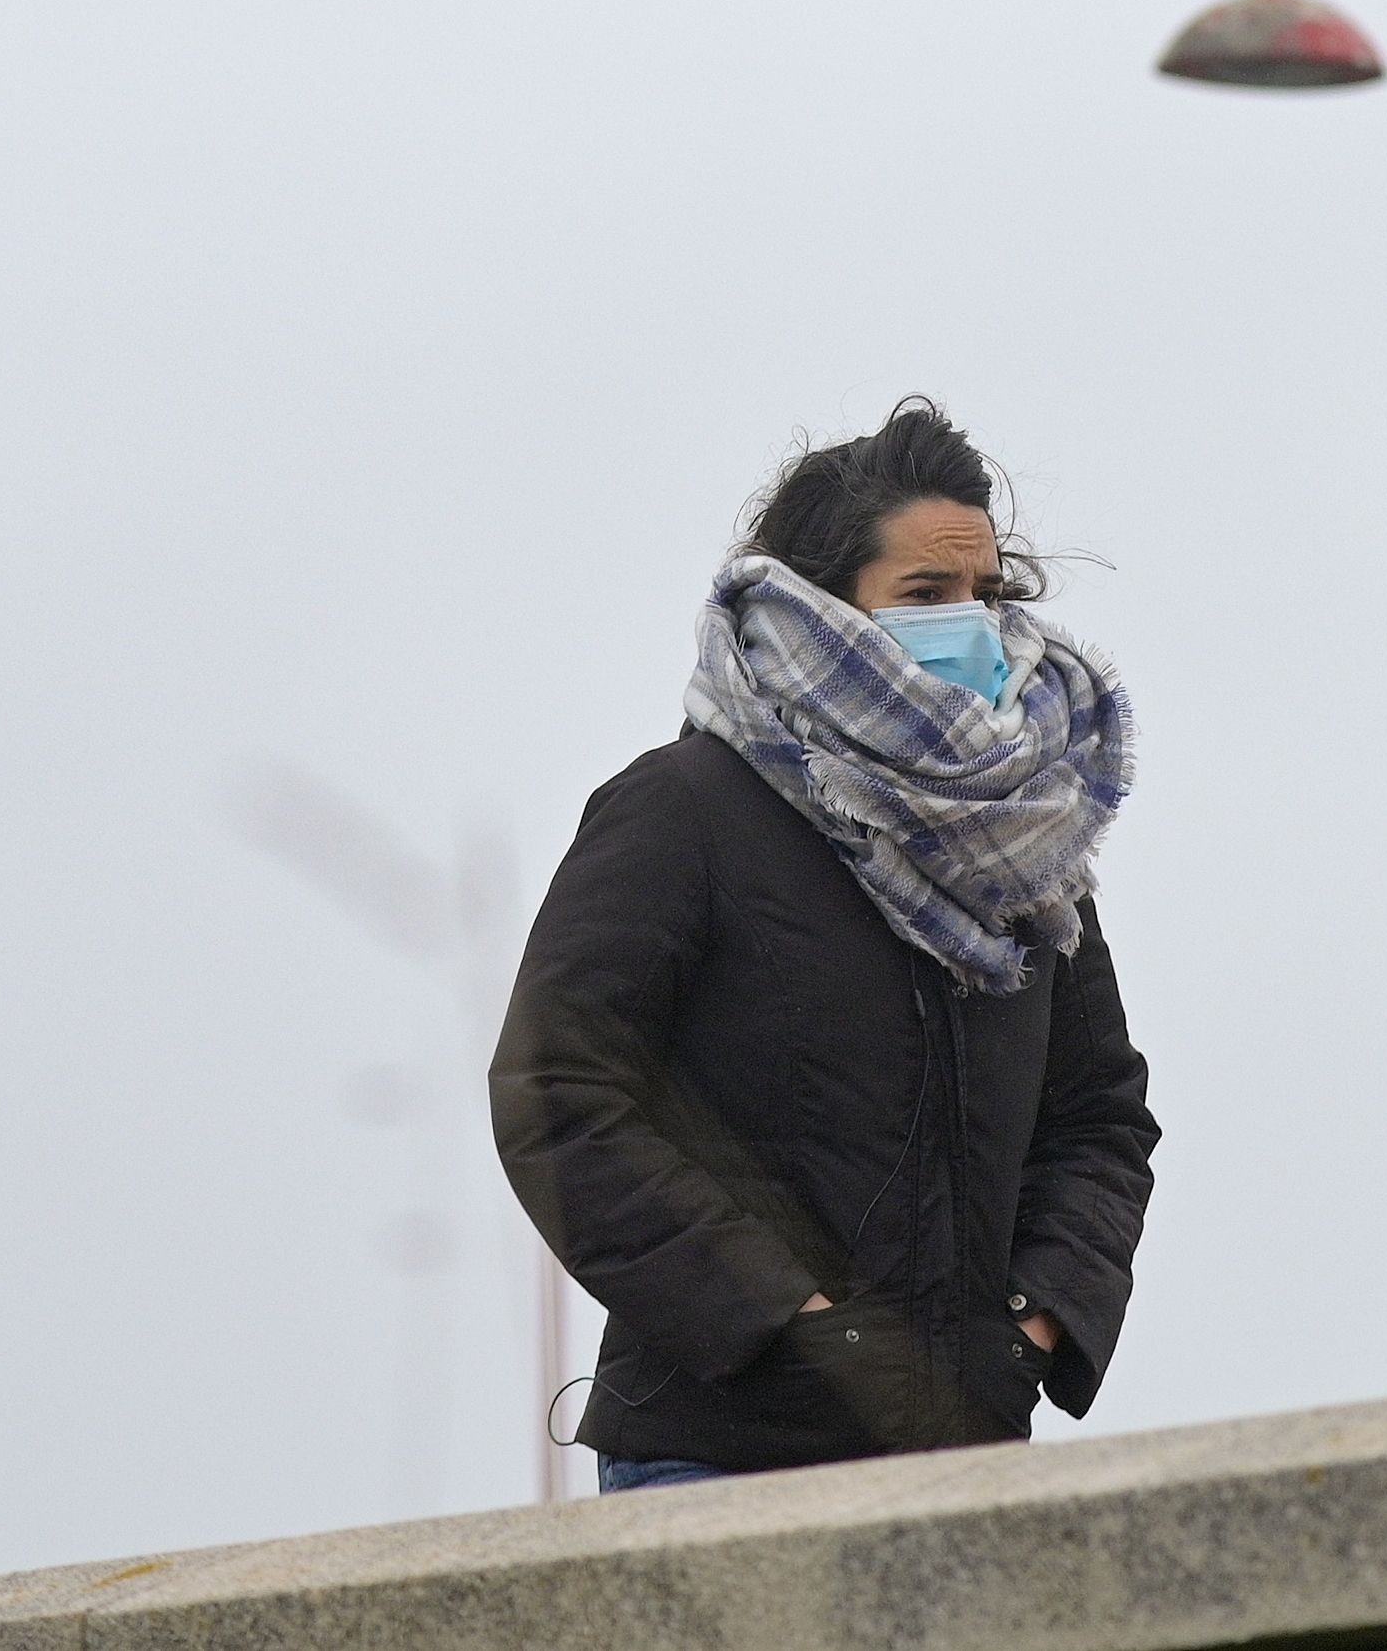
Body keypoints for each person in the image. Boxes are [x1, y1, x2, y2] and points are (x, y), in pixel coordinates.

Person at [489, 399, 1158, 1493]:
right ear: (824, 604)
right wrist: (783, 1319)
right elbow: (556, 1091)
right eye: (927, 595)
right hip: (713, 1462)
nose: (975, 624)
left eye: (986, 592)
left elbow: (1098, 1116)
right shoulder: (683, 810)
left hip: (967, 1462)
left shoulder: (1027, 854)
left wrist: (1035, 1324)